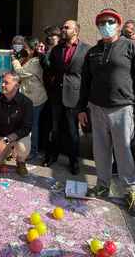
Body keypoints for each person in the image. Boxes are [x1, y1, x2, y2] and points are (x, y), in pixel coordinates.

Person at [78, 8, 135, 217]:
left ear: (118, 25)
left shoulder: (129, 47)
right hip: (97, 108)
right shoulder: (93, 52)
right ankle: (102, 185)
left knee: (123, 150)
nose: (105, 25)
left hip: (122, 108)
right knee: (100, 149)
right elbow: (85, 82)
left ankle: (130, 191)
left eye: (109, 21)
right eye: (101, 23)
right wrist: (82, 108)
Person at [43, 20, 90, 174]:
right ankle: (53, 156)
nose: (63, 29)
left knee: (72, 132)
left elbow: (88, 77)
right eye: (62, 27)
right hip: (57, 95)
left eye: (66, 27)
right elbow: (50, 69)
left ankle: (74, 161)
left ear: (76, 31)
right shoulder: (57, 49)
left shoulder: (86, 50)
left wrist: (85, 101)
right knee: (55, 129)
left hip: (74, 97)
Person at [0, 72, 33, 176]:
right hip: (0, 137)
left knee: (22, 146)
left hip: (17, 138)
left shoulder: (26, 103)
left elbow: (26, 128)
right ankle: (6, 154)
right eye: (2, 82)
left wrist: (6, 140)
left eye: (6, 83)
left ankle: (20, 161)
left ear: (16, 86)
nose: (2, 85)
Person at [11, 37, 47, 160]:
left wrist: (14, 60)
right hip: (29, 96)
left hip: (36, 98)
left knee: (33, 125)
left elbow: (21, 72)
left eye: (25, 47)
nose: (23, 49)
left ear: (32, 50)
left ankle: (33, 151)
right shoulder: (28, 59)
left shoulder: (36, 61)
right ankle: (24, 148)